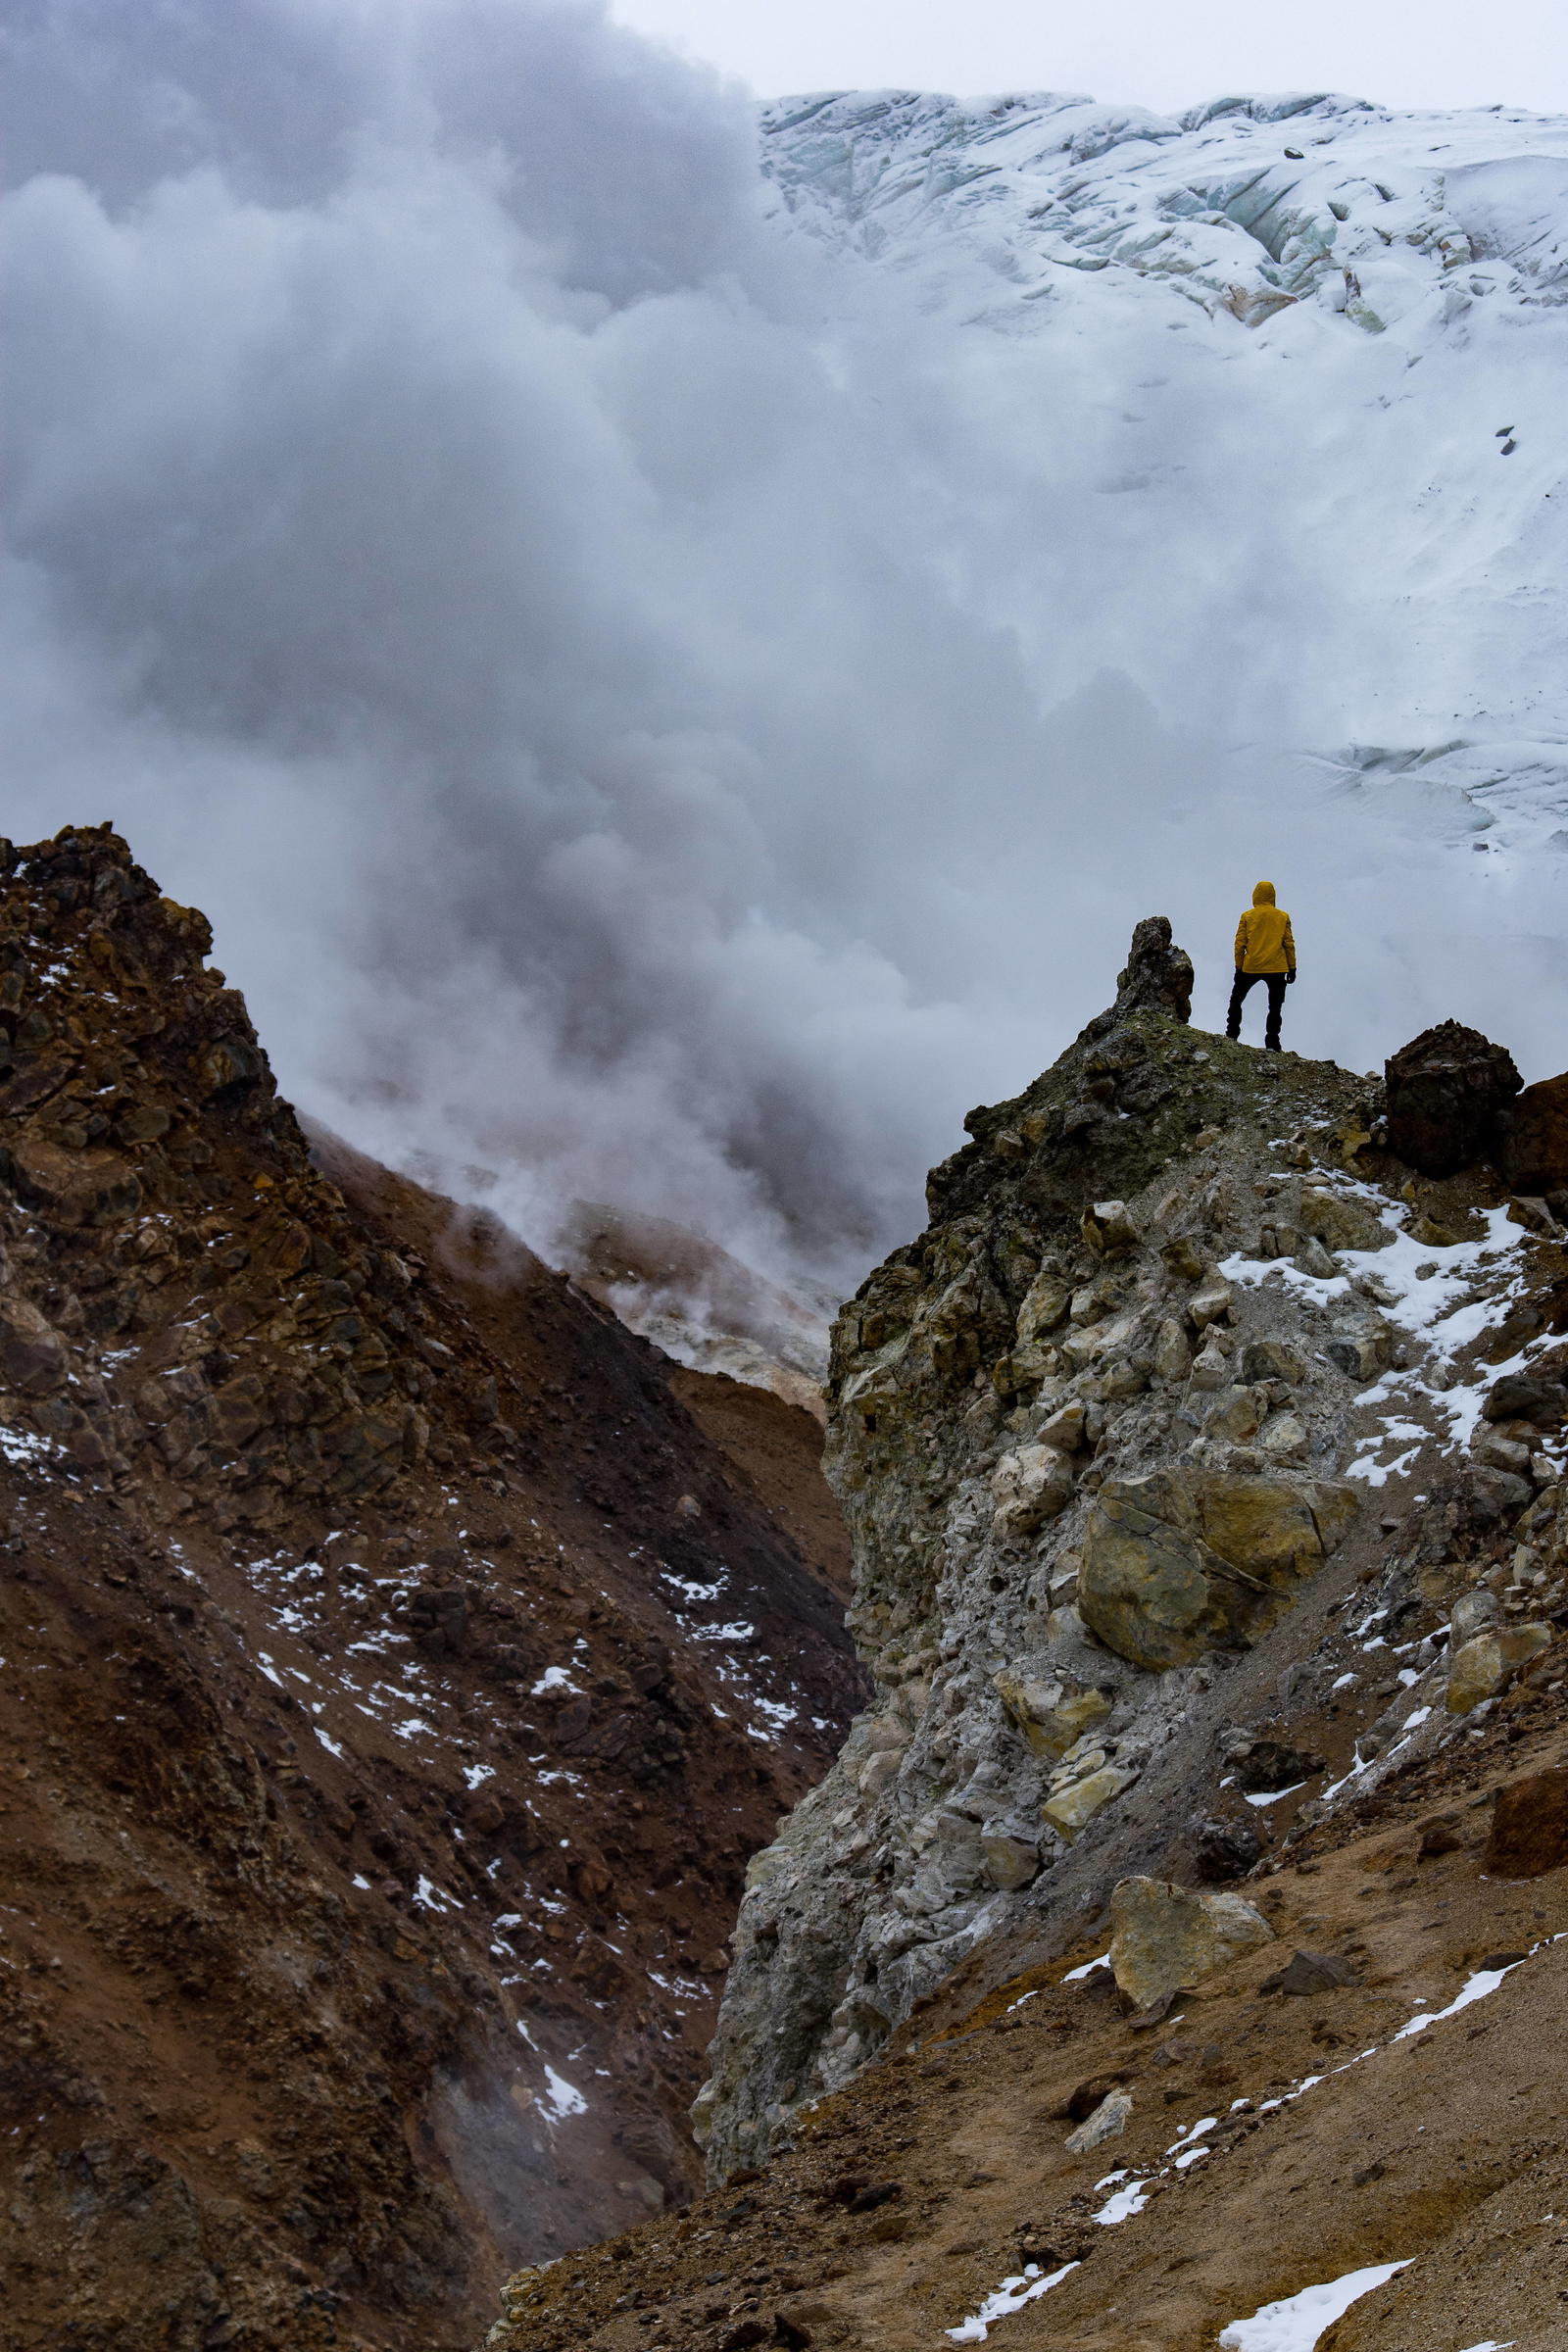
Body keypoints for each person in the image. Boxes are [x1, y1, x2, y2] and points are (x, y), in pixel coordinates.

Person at [1227, 880, 1296, 1051]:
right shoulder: (1283, 916)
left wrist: (1238, 966)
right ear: (1273, 896)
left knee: (1236, 1001)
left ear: (1255, 895)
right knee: (1275, 1007)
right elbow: (1288, 944)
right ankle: (1273, 1041)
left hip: (1251, 966)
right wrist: (1292, 967)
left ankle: (1231, 1034)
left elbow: (1239, 944)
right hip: (1278, 967)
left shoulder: (1247, 916)